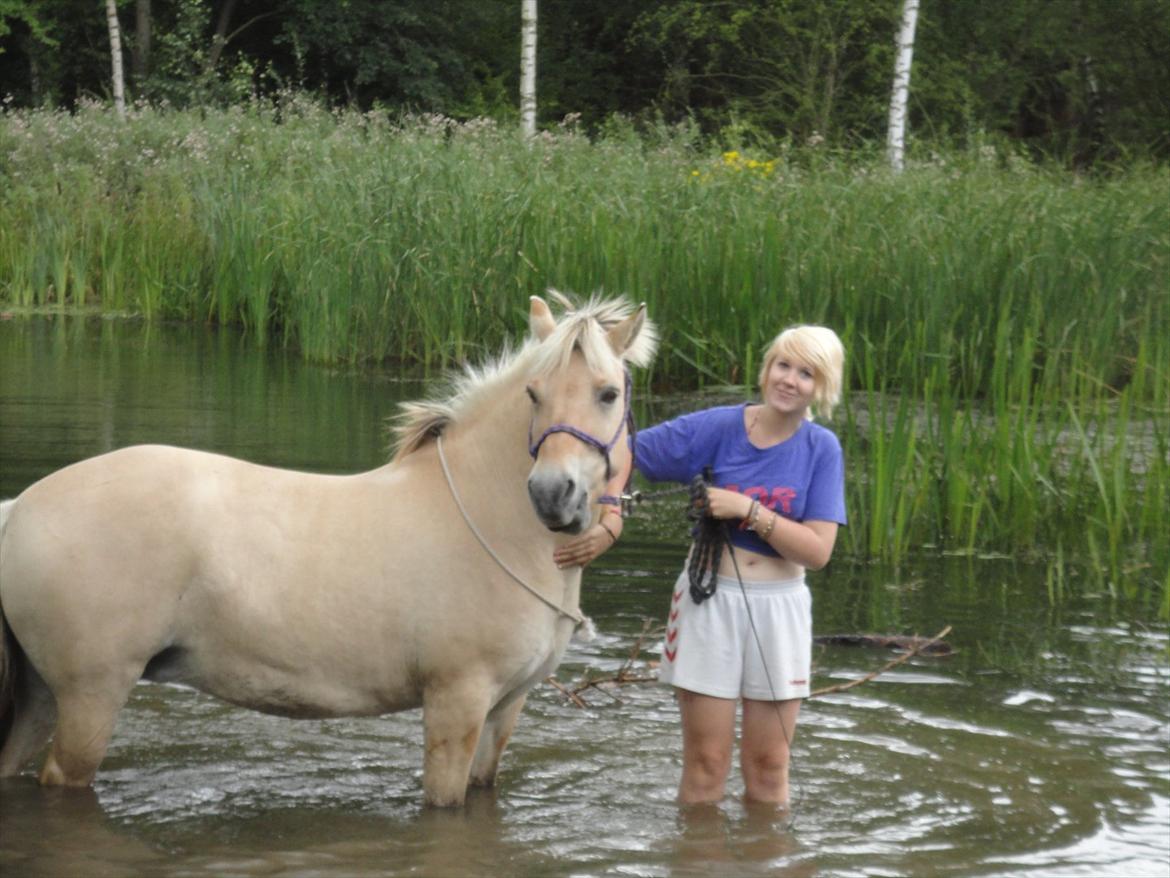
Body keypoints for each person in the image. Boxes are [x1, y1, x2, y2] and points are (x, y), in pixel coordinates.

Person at [553, 325, 846, 806]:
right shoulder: (718, 427)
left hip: (781, 609)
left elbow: (818, 551)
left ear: (824, 385)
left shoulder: (822, 449)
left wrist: (747, 511)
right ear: (767, 369)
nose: (790, 380)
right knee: (707, 765)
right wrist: (610, 519)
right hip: (711, 601)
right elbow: (623, 450)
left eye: (807, 373)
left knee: (770, 767)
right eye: (782, 365)